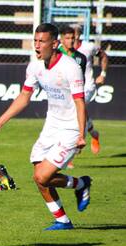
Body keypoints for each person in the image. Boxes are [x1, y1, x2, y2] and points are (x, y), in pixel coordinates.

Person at [0, 23, 92, 231]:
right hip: (51, 125)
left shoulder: (70, 67)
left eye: (41, 41)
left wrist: (81, 134)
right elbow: (25, 97)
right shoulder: (35, 66)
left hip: (71, 127)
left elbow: (80, 102)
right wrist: (1, 121)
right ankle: (64, 216)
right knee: (40, 175)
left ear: (55, 44)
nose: (37, 45)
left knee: (41, 176)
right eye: (35, 41)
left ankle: (80, 185)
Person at [71, 24, 109, 154]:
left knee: (76, 110)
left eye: (73, 34)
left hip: (87, 86)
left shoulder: (88, 47)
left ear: (78, 35)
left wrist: (102, 74)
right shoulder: (62, 49)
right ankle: (94, 133)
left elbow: (103, 55)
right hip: (71, 87)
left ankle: (75, 149)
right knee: (81, 113)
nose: (70, 37)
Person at [58, 25, 87, 169]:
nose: (71, 41)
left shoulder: (81, 58)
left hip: (74, 97)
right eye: (68, 38)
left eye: (73, 38)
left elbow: (82, 79)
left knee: (75, 125)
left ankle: (70, 154)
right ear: (62, 39)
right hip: (59, 97)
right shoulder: (56, 54)